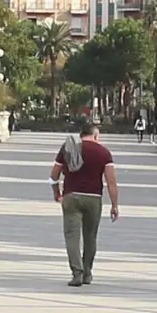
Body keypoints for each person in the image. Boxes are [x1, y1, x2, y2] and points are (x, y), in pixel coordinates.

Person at [50, 123, 119, 287]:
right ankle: (87, 272)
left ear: (81, 136)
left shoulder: (69, 149)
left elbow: (54, 175)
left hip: (71, 197)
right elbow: (111, 181)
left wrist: (56, 193)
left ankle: (77, 273)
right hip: (93, 198)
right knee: (90, 236)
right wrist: (114, 205)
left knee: (72, 237)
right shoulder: (104, 152)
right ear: (96, 136)